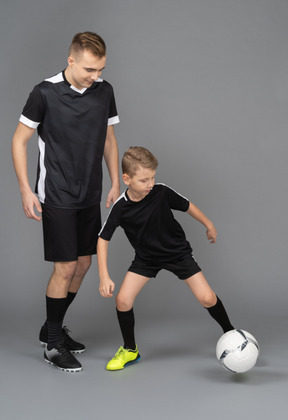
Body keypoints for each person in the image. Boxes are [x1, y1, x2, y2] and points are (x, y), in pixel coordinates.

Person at [12, 32, 120, 372]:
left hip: (90, 192)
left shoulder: (105, 91)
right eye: (90, 69)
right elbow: (19, 140)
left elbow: (109, 138)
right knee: (65, 267)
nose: (96, 76)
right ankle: (54, 345)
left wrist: (115, 180)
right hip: (56, 193)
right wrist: (25, 190)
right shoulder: (44, 92)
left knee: (84, 264)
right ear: (71, 60)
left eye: (100, 69)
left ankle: (51, 328)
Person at [97, 146, 234, 371]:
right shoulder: (120, 208)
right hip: (146, 259)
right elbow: (103, 239)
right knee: (122, 300)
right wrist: (104, 276)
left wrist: (209, 225)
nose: (150, 184)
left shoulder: (160, 192)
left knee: (207, 298)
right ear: (126, 179)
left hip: (177, 253)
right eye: (144, 180)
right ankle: (130, 350)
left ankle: (231, 332)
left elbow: (188, 206)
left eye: (152, 177)